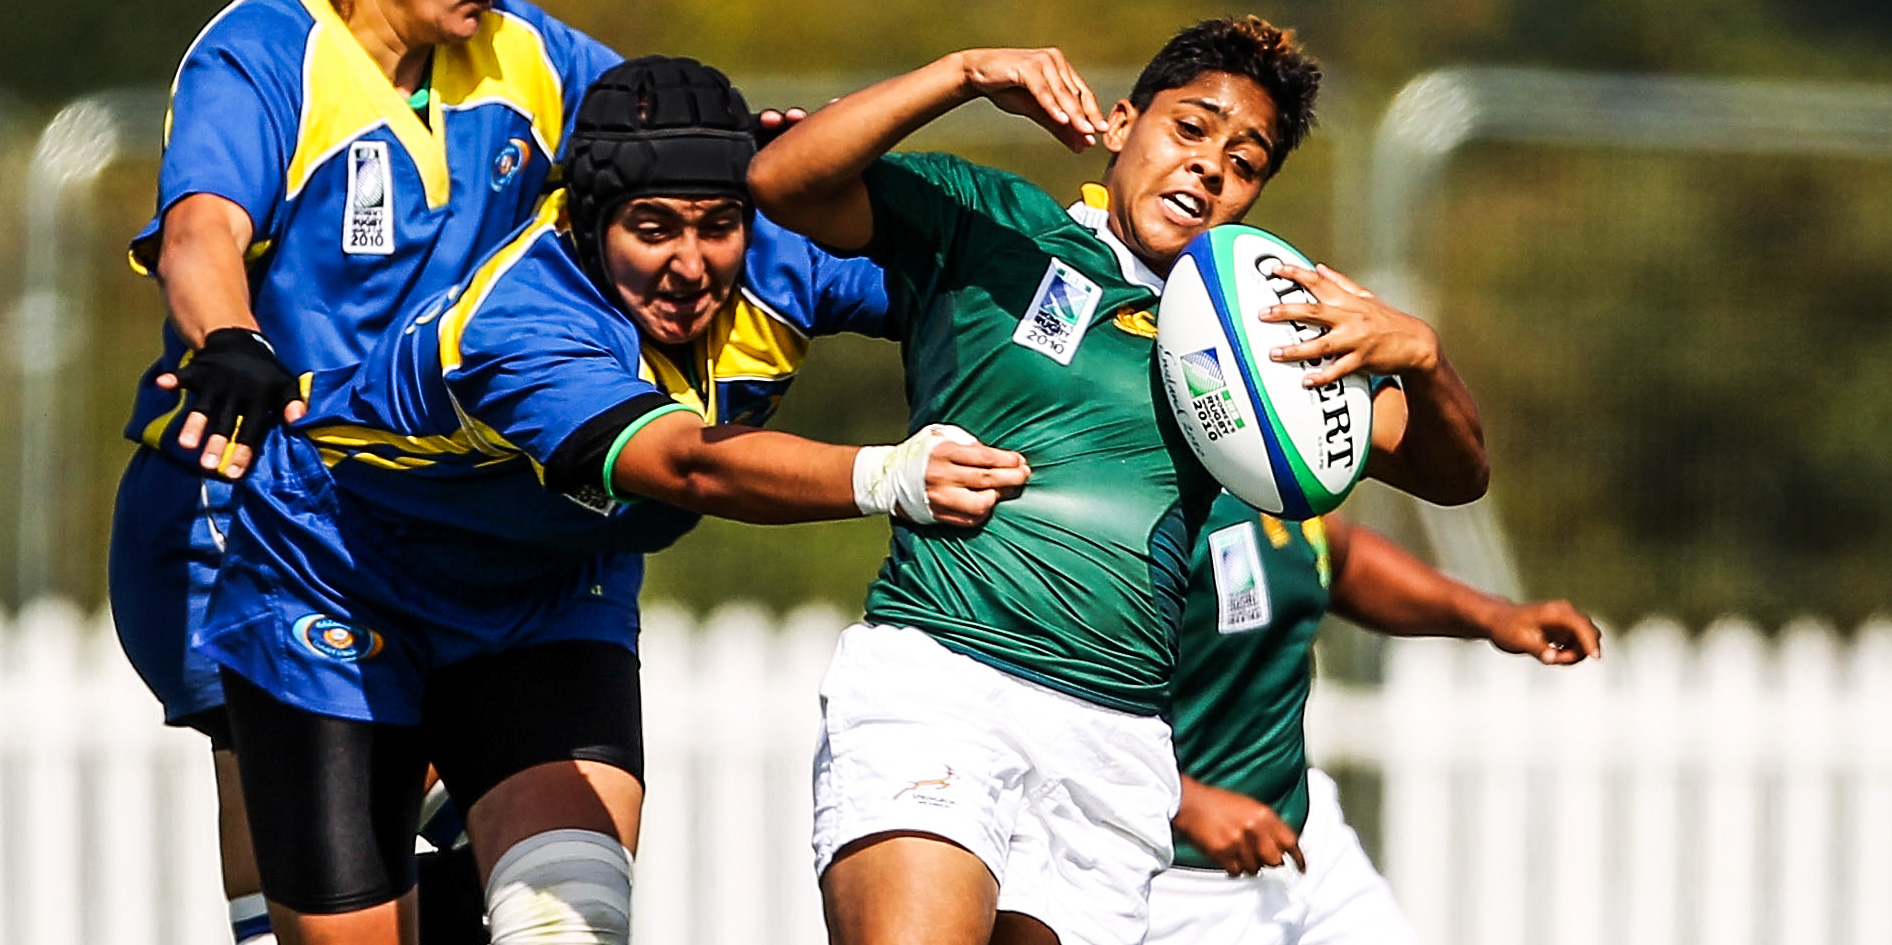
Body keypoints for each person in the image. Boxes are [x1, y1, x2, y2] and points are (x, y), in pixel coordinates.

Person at [195, 55, 1029, 945]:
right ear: (589, 224)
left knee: (572, 919)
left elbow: (972, 281)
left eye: (718, 225)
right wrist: (886, 476)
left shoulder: (779, 255)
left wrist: (1115, 245)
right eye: (653, 228)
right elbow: (687, 468)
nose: (690, 263)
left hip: (549, 594)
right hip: (335, 572)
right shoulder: (521, 323)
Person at [748, 14, 1487, 945]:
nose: (1211, 166)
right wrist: (965, 73)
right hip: (944, 679)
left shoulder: (1268, 341)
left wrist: (1423, 356)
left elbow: (1452, 474)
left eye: (1246, 160)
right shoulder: (996, 228)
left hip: (1115, 732)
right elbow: (782, 180)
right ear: (1121, 122)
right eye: (1190, 128)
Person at [109, 0, 621, 941]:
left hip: (434, 526)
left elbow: (670, 138)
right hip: (244, 510)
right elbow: (199, 232)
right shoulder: (268, 51)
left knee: (536, 878)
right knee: (296, 810)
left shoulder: (533, 53)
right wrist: (231, 334)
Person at [1151, 502, 1602, 945]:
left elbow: (1339, 557)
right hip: (1174, 883)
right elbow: (1080, 713)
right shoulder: (1126, 494)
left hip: (1307, 847)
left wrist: (1492, 615)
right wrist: (1188, 804)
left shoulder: (1261, 462)